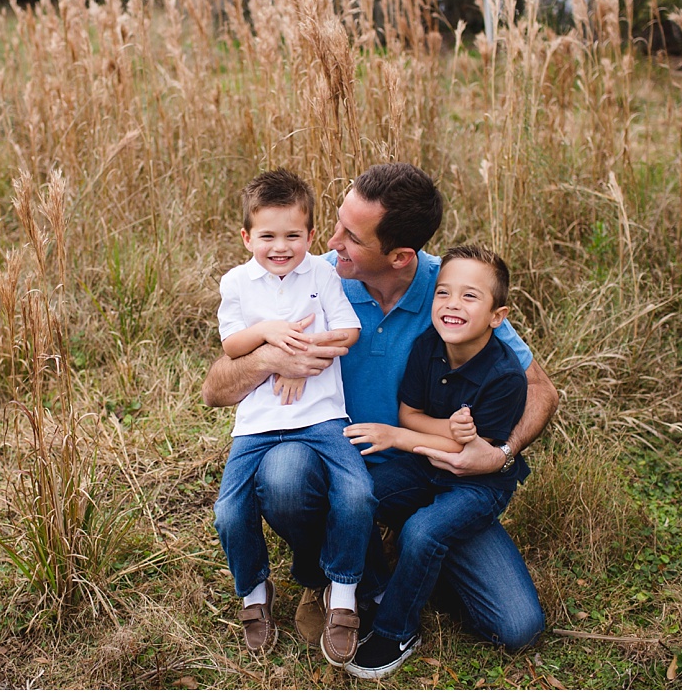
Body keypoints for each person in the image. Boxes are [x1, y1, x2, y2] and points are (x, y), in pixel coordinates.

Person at [201, 163, 558, 664]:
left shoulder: (449, 293)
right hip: (336, 461)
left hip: (430, 473)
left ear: (400, 256)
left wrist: (501, 452)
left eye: (350, 235)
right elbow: (215, 389)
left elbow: (540, 388)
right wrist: (270, 355)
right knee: (282, 478)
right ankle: (333, 576)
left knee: (516, 625)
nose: (330, 240)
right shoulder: (314, 275)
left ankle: (395, 553)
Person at [342, 244, 527, 678]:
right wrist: (448, 430)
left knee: (424, 533)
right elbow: (411, 413)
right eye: (443, 293)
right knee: (357, 495)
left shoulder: (505, 377)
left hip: (477, 486)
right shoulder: (428, 347)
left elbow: (470, 454)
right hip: (426, 468)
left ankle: (398, 630)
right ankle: (377, 594)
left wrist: (397, 437)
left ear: (497, 317)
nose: (452, 305)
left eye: (469, 296)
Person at [212, 168, 374, 666]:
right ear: (247, 237)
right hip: (258, 423)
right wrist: (272, 334)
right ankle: (254, 590)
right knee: (228, 511)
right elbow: (232, 344)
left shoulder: (321, 274)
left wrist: (305, 353)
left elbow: (349, 332)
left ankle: (342, 594)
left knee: (358, 491)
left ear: (309, 234)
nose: (280, 247)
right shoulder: (237, 281)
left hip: (322, 416)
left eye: (292, 235)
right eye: (267, 236)